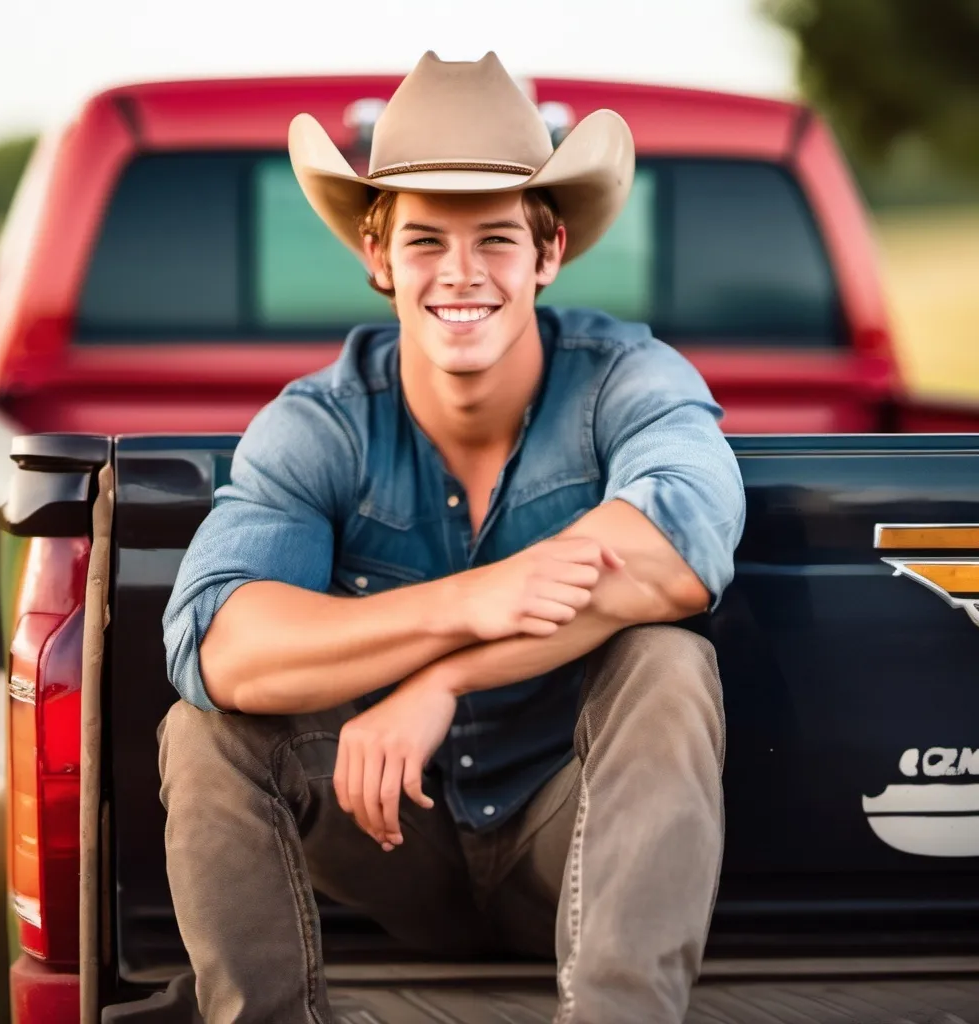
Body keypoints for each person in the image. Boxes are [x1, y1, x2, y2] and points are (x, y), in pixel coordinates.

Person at [158, 50, 746, 1024]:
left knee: (667, 659)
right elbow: (218, 645)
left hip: (572, 838)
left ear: (549, 252)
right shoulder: (323, 422)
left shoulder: (625, 379)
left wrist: (442, 680)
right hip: (387, 836)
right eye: (426, 241)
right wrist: (462, 602)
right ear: (377, 257)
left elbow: (676, 552)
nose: (461, 275)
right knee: (204, 726)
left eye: (496, 241)